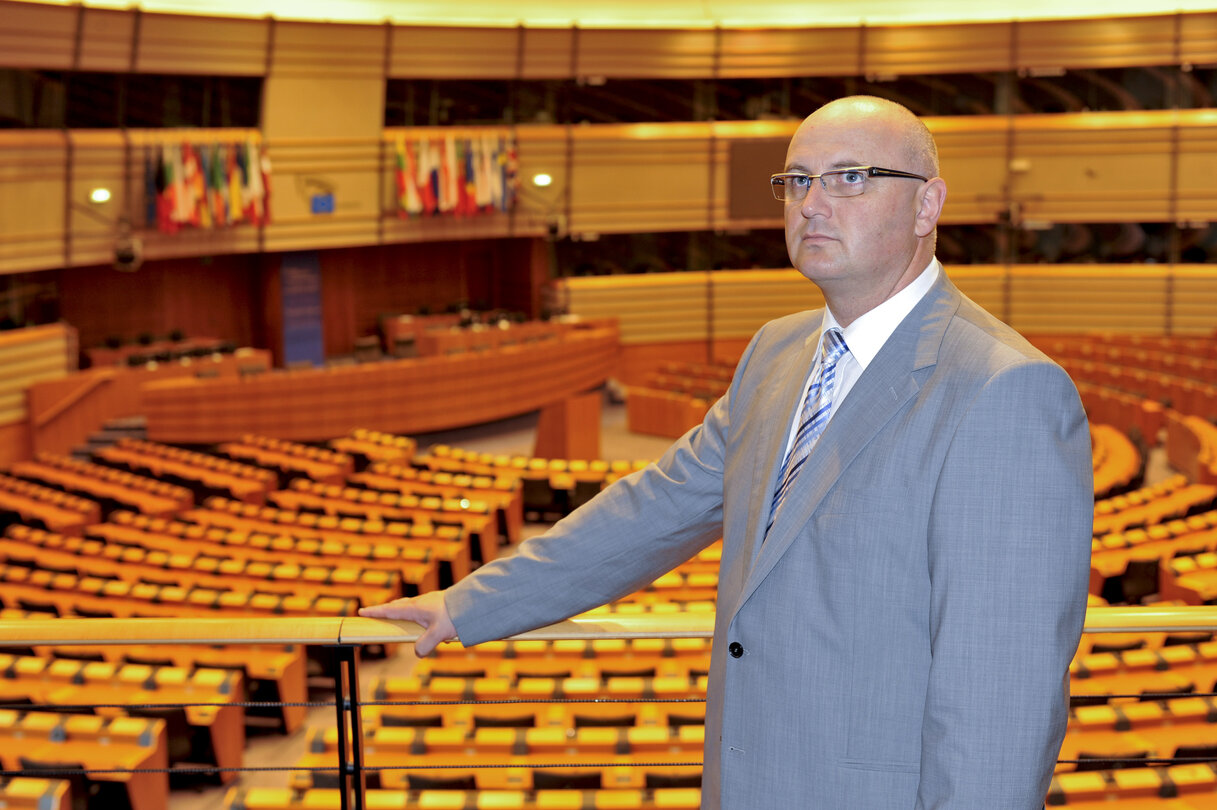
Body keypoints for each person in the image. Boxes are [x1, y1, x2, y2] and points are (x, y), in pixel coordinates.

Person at [361, 96, 1094, 809]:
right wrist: (471, 603)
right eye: (796, 180)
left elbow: (1001, 687)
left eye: (849, 178)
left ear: (927, 205)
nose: (810, 203)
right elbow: (656, 507)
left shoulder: (1006, 389)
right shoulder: (777, 351)